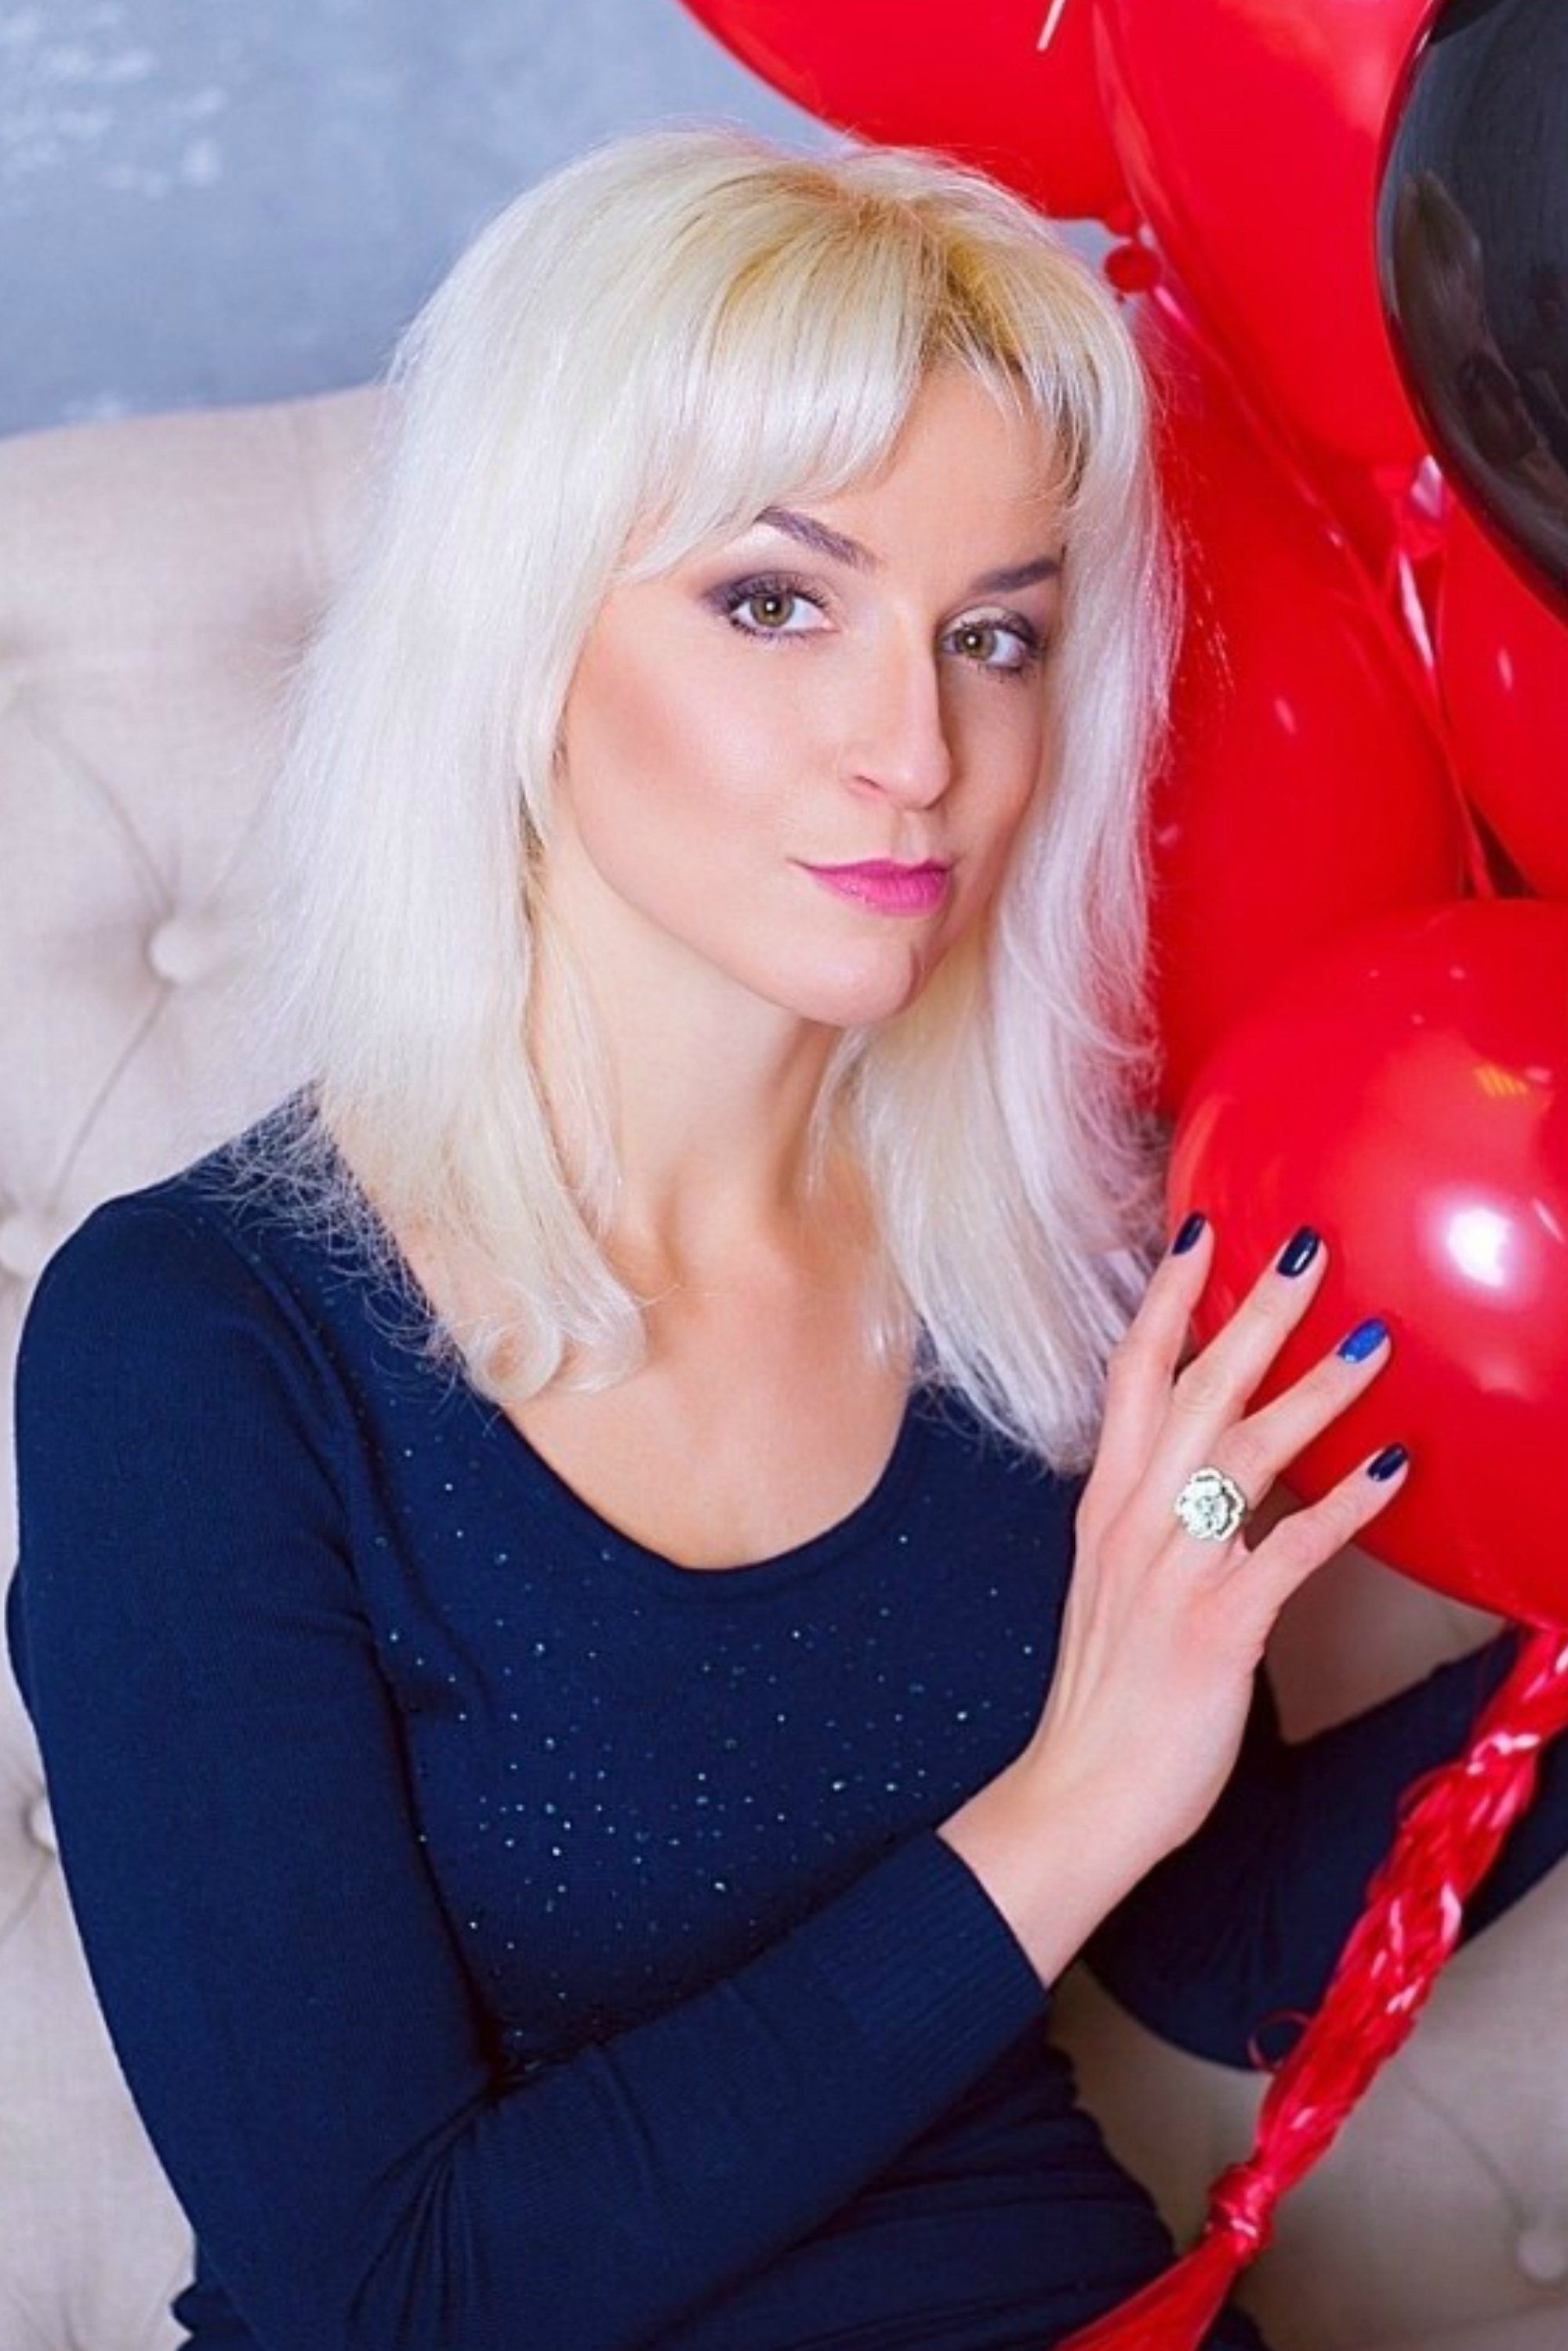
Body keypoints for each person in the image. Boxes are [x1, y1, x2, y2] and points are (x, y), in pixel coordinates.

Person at [7, 124, 1566, 2351]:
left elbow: (1211, 1949)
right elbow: (392, 2288)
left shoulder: (1044, 1253)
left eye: (995, 635)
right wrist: (1065, 1806)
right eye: (777, 602)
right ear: (523, 630)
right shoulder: (196, 1348)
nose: (916, 748)